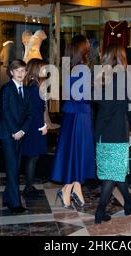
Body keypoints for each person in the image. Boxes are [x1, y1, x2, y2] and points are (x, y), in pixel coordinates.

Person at [93, 44, 131, 224]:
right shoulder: (124, 75)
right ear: (121, 56)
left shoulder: (100, 76)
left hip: (101, 131)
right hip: (117, 130)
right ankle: (100, 211)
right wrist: (130, 124)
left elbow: (97, 102)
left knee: (117, 169)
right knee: (113, 174)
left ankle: (129, 203)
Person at [50, 35, 95, 209]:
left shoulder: (72, 67)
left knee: (75, 153)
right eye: (88, 43)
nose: (90, 45)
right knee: (78, 152)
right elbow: (82, 96)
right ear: (82, 48)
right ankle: (67, 189)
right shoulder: (82, 68)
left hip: (72, 115)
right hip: (79, 115)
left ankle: (76, 187)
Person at [0, 60, 32, 214]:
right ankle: (14, 203)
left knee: (16, 167)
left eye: (23, 70)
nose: (20, 73)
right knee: (12, 169)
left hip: (20, 134)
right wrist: (15, 131)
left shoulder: (27, 90)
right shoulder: (6, 89)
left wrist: (22, 131)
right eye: (17, 70)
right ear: (11, 72)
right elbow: (5, 112)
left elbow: (30, 114)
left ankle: (6, 196)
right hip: (7, 134)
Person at [22, 59, 48, 194]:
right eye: (43, 68)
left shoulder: (32, 86)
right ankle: (28, 187)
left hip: (32, 126)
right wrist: (42, 126)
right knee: (33, 157)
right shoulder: (34, 88)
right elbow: (35, 111)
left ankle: (29, 186)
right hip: (34, 127)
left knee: (33, 157)